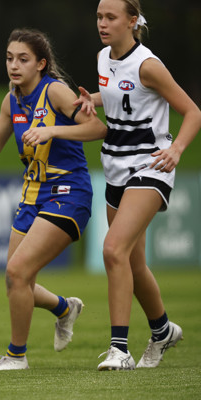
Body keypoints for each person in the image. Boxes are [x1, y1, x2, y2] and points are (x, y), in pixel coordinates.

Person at [0, 28, 107, 370]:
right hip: (33, 194)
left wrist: (53, 129)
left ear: (41, 63)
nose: (14, 65)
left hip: (69, 191)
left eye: (23, 59)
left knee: (18, 271)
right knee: (16, 279)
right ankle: (64, 308)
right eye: (9, 58)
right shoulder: (11, 99)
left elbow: (98, 129)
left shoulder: (55, 91)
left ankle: (16, 356)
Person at [74, 0, 201, 371]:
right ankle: (162, 331)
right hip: (113, 164)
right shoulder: (103, 58)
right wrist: (92, 101)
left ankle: (119, 350)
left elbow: (192, 111)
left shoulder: (149, 65)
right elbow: (121, 98)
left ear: (132, 21)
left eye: (110, 17)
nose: (102, 23)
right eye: (99, 16)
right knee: (133, 261)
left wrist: (177, 149)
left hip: (150, 165)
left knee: (112, 249)